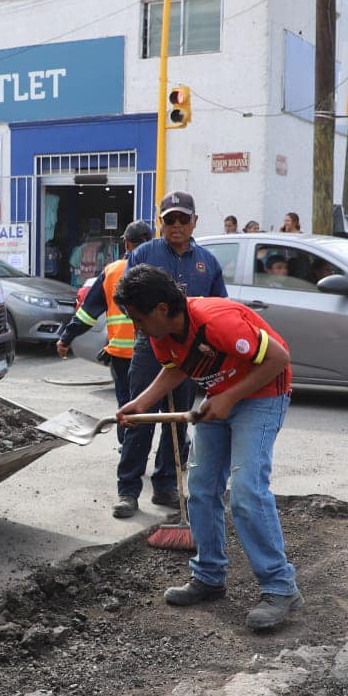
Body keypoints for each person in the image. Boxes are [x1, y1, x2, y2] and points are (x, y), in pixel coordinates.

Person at [114, 264, 300, 629]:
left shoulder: (217, 321)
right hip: (221, 396)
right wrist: (142, 402)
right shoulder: (161, 335)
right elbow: (177, 367)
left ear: (162, 310)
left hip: (264, 394)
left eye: (138, 318)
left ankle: (280, 587)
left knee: (247, 491)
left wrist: (229, 398)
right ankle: (210, 576)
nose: (136, 327)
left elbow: (278, 359)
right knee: (200, 487)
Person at [118, 191, 227, 517]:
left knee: (178, 418)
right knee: (140, 415)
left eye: (183, 219)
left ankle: (165, 484)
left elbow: (218, 306)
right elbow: (123, 297)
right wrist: (149, 326)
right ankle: (128, 489)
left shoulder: (208, 262)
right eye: (170, 220)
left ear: (195, 221)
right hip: (149, 347)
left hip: (190, 353)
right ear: (160, 222)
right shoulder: (144, 254)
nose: (177, 225)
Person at [56, 220, 152, 498]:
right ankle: (173, 460)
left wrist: (66, 337)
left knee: (128, 406)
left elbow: (88, 313)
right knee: (159, 410)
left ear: (126, 244)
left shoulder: (113, 271)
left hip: (122, 354)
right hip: (156, 355)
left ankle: (129, 452)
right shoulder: (158, 268)